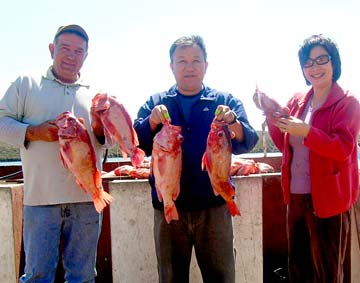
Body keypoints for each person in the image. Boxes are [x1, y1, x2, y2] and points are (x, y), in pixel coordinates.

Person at [133, 35, 258, 283]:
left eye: (195, 60)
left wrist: (232, 121)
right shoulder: (156, 103)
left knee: (221, 277)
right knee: (170, 277)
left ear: (206, 65)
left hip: (214, 207)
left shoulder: (225, 101)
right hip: (169, 208)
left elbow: (249, 140)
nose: (189, 67)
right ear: (171, 66)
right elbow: (137, 143)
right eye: (181, 61)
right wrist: (152, 122)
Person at [0, 25, 106, 282]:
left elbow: (107, 140)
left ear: (86, 56)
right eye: (65, 48)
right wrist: (33, 131)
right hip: (40, 200)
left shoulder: (96, 94)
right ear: (51, 50)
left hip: (86, 200)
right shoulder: (26, 84)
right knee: (37, 275)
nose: (71, 56)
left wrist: (99, 127)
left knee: (82, 276)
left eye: (78, 51)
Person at [264, 34, 360, 282]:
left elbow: (343, 148)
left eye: (321, 60)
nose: (315, 68)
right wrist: (269, 112)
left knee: (327, 273)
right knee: (298, 270)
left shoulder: (347, 102)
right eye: (308, 63)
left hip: (328, 202)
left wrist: (306, 132)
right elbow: (285, 144)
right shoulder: (298, 101)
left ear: (334, 63)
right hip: (295, 198)